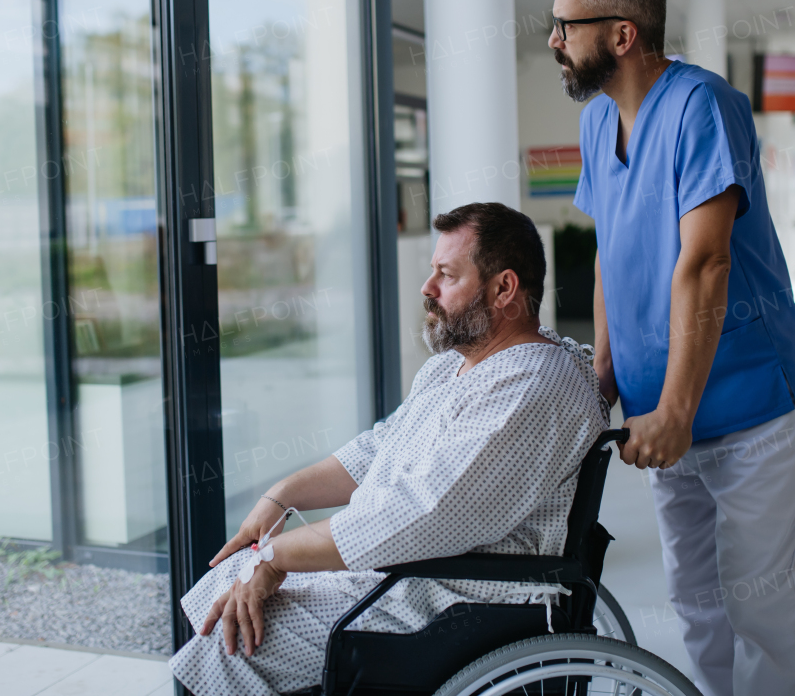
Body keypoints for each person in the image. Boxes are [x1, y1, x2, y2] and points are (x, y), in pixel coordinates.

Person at [169, 202, 609, 696]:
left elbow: (421, 514)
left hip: (447, 600)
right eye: (431, 272)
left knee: (226, 645)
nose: (428, 289)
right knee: (227, 590)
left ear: (504, 288)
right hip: (407, 575)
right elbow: (376, 450)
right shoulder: (457, 366)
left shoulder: (530, 386)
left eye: (446, 274)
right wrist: (282, 496)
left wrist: (274, 559)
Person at [550, 0, 795, 696]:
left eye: (565, 24)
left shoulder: (704, 106)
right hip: (659, 414)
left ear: (623, 34)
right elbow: (610, 254)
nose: (554, 40)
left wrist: (676, 406)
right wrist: (604, 375)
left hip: (748, 402)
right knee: (698, 605)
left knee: (766, 612)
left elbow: (706, 263)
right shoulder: (599, 122)